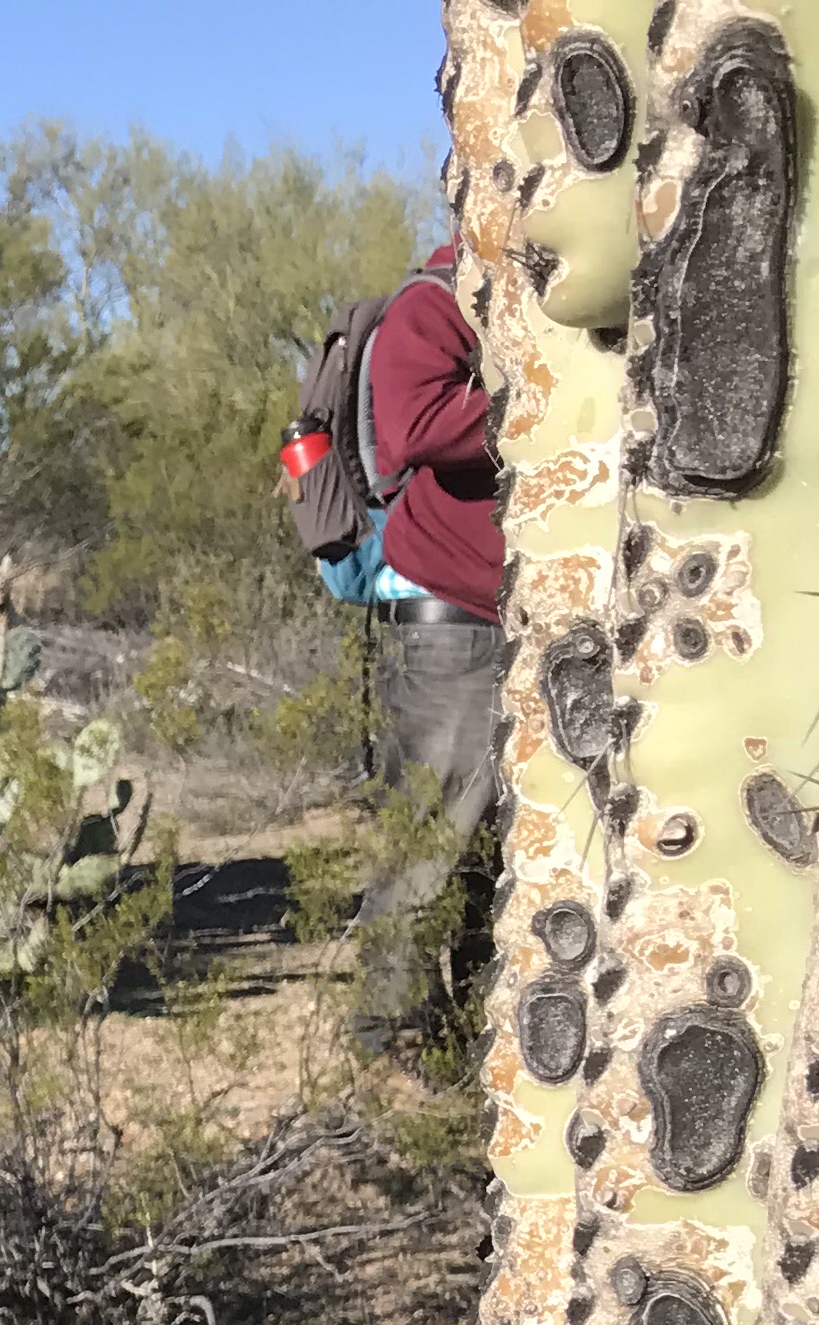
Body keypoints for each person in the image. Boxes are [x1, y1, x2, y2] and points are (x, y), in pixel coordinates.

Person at [347, 240, 510, 1063]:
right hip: (453, 624)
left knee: (510, 842)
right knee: (431, 833)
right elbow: (412, 424)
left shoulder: (540, 301)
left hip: (526, 623)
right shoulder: (440, 299)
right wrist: (531, 404)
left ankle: (487, 1031)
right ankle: (391, 1032)